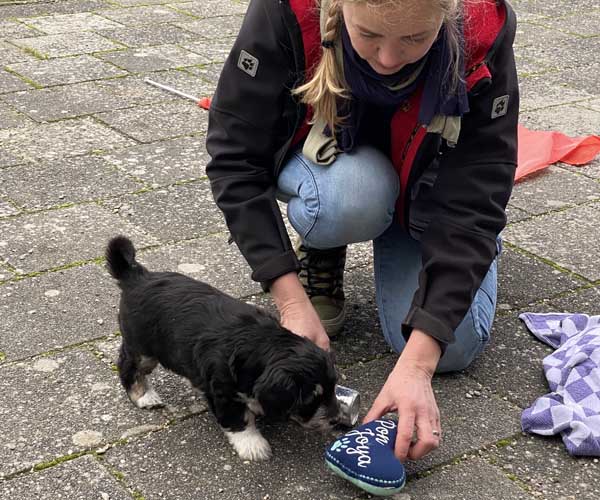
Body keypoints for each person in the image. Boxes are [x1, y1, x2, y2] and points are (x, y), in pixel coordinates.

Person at [206, 0, 518, 463]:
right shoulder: (286, 12)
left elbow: (477, 201)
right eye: (368, 33)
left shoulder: (481, 30)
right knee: (350, 197)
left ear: (449, 14)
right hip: (341, 173)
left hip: (429, 196)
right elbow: (235, 161)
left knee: (453, 351)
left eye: (414, 38)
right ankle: (324, 243)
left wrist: (418, 363)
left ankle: (449, 250)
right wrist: (290, 301)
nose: (388, 59)